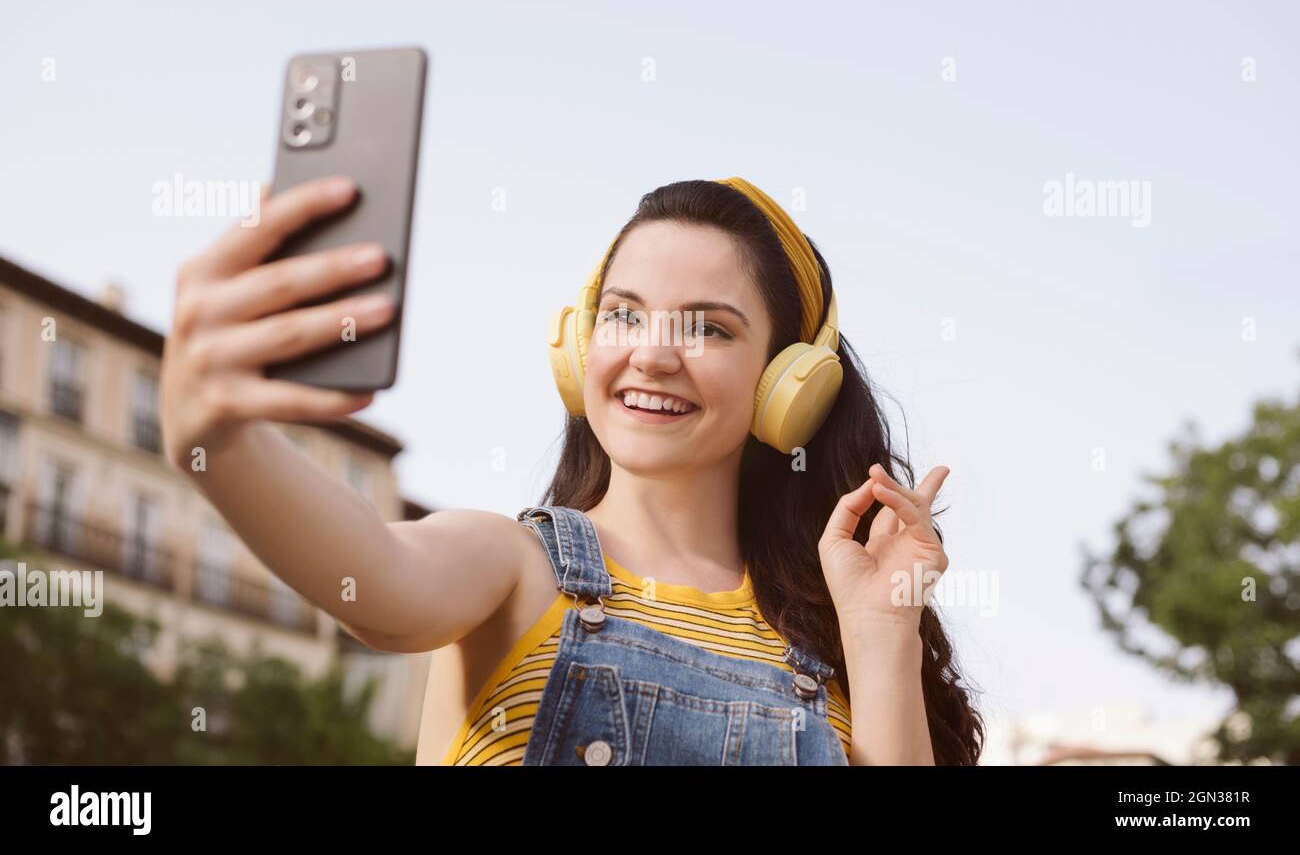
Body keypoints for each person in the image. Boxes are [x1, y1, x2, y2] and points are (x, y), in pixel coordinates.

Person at [160, 174, 984, 765]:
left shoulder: (828, 648)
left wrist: (881, 635)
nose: (652, 354)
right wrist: (218, 441)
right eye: (624, 314)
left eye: (710, 328)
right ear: (581, 346)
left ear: (787, 384)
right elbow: (375, 578)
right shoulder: (516, 568)